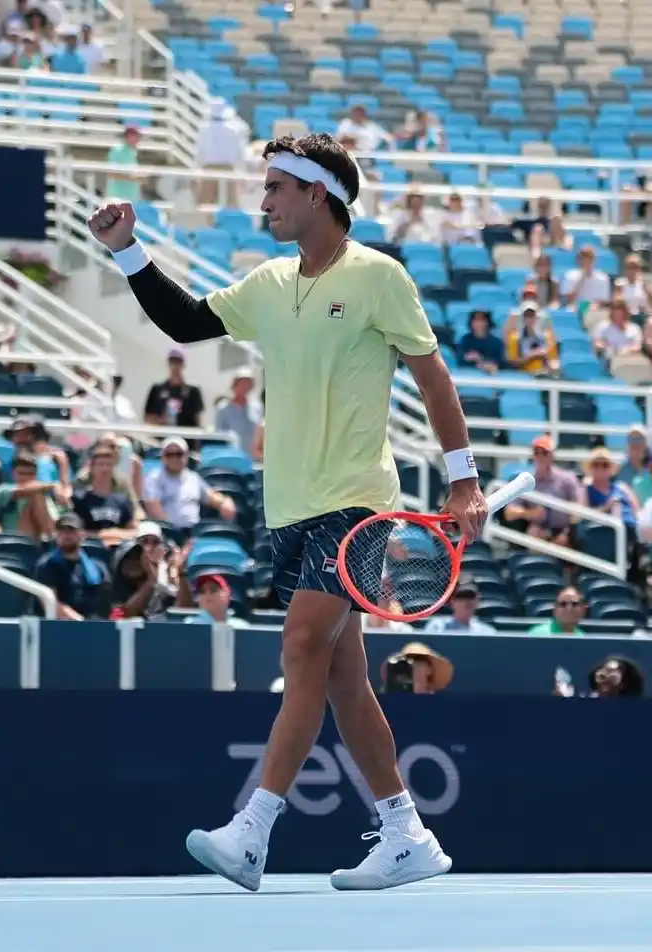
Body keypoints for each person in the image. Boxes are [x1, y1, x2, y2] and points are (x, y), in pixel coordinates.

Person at [88, 132, 487, 892]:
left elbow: (435, 381)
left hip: (360, 504)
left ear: (318, 195)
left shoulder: (380, 278)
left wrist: (463, 480)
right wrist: (127, 250)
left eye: (276, 187)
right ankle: (406, 832)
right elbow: (187, 323)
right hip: (292, 506)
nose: (263, 199)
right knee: (341, 677)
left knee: (302, 646)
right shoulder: (268, 283)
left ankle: (254, 828)